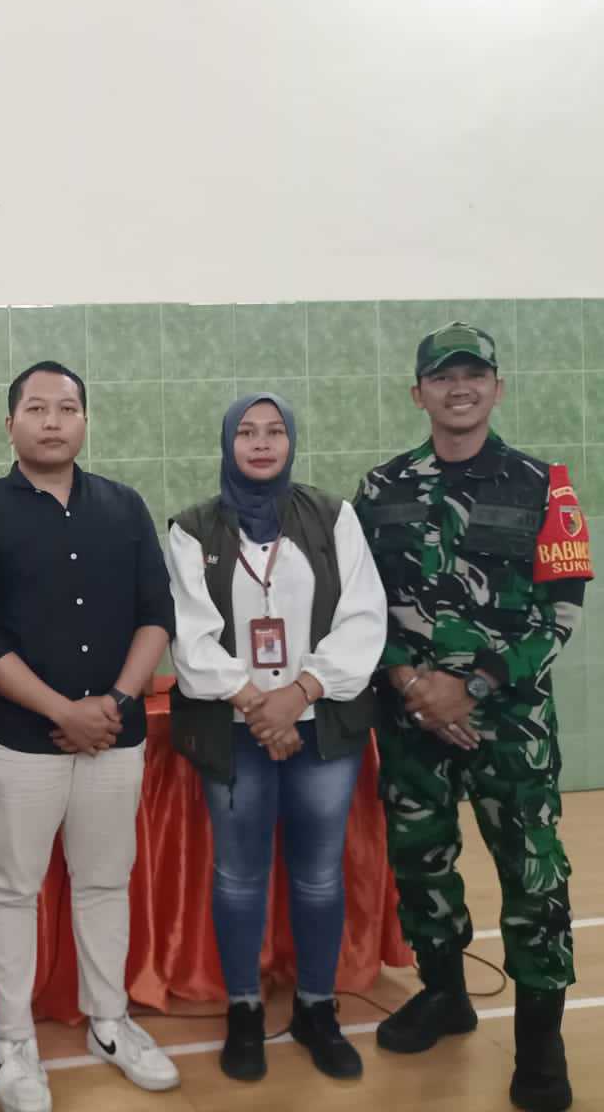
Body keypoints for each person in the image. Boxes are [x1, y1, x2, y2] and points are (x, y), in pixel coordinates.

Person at [355, 323, 592, 1112]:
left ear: (497, 387)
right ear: (417, 392)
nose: (460, 388)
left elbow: (562, 611)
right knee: (421, 864)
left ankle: (540, 1044)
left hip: (512, 726)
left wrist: (475, 688)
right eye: (443, 377)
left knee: (533, 874)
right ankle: (445, 994)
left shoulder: (545, 486)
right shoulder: (379, 488)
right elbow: (358, 604)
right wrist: (410, 682)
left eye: (474, 375)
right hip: (410, 718)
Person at [0, 361, 181, 1112]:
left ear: (84, 421)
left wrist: (115, 700)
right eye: (37, 409)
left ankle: (110, 1022)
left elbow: (157, 613)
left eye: (68, 408)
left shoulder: (124, 506)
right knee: (12, 889)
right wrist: (61, 710)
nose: (53, 421)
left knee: (105, 881)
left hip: (115, 734)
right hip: (19, 742)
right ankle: (13, 1043)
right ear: (10, 423)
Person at [165, 392, 387, 1084]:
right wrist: (258, 705)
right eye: (246, 433)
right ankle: (244, 1011)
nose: (261, 444)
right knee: (238, 876)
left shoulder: (333, 517)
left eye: (274, 432)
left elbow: (364, 618)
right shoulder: (192, 529)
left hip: (321, 725)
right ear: (227, 443)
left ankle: (317, 1009)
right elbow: (189, 635)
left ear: (291, 441)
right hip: (233, 730)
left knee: (319, 875)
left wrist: (298, 696)